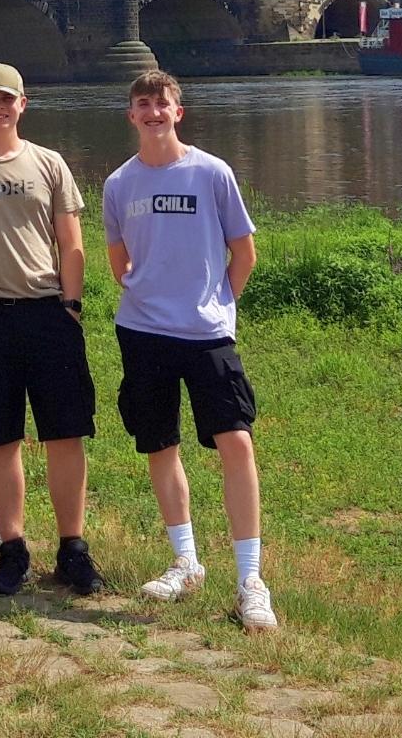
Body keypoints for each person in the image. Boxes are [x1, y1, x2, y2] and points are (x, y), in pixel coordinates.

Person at [104, 71, 277, 633]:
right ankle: (186, 562)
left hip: (206, 333)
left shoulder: (211, 172)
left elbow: (243, 253)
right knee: (160, 443)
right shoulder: (118, 184)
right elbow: (118, 261)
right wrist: (149, 293)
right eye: (143, 104)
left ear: (179, 112)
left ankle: (250, 579)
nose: (153, 112)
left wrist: (218, 301)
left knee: (236, 442)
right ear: (131, 115)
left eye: (163, 104)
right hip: (143, 332)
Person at [0, 63, 101, 597]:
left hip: (47, 310)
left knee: (64, 431)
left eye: (7, 99)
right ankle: (12, 547)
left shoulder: (48, 163)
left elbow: (70, 240)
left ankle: (73, 547)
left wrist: (70, 307)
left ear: (23, 104)